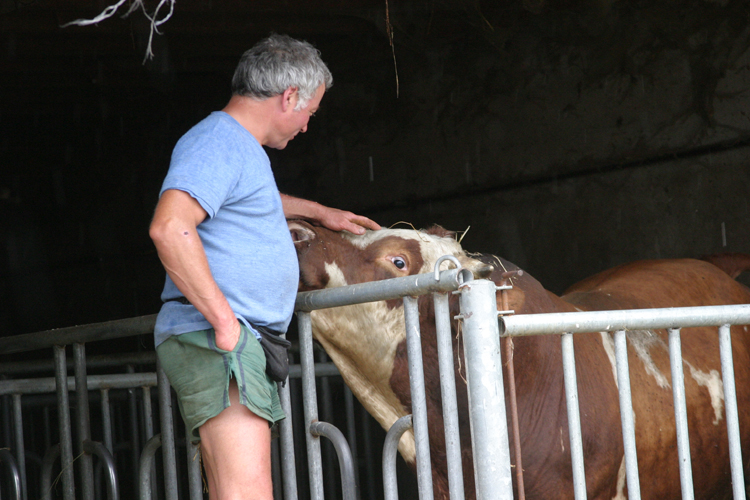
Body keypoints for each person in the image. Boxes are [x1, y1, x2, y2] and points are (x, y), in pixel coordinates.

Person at [149, 33, 380, 500]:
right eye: (309, 113)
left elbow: (242, 199)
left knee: (234, 490)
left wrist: (317, 212)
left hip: (234, 341)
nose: (306, 127)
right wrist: (226, 324)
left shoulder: (233, 146)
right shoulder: (218, 140)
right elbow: (169, 228)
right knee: (246, 492)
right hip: (224, 341)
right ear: (289, 96)